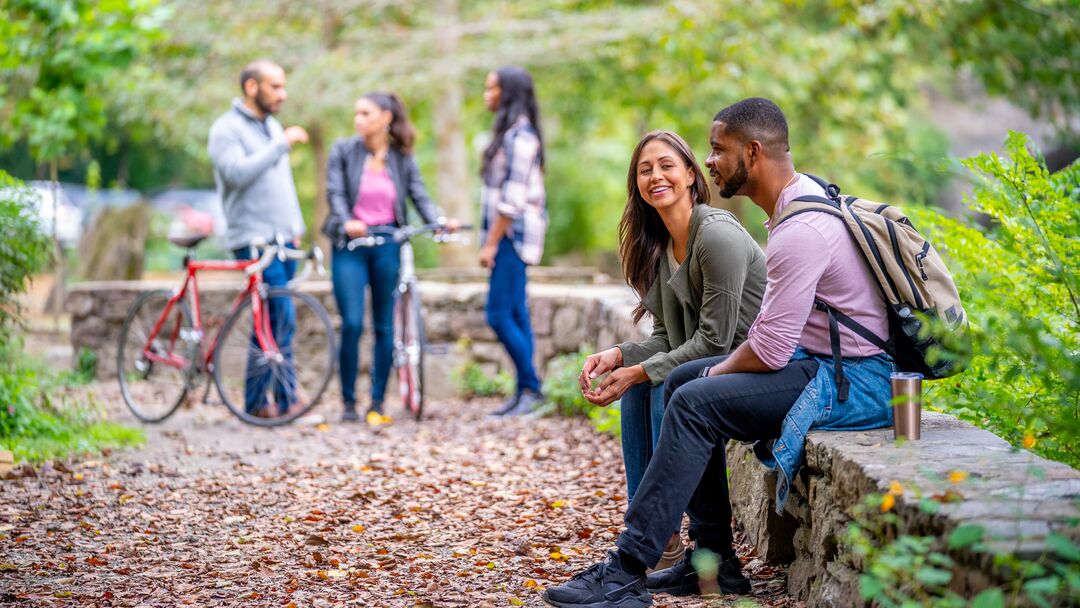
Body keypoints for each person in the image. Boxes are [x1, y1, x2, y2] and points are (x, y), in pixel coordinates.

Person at [543, 98, 895, 608]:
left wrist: (704, 377)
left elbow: (768, 348)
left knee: (690, 395)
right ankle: (715, 563)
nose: (711, 161)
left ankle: (626, 570)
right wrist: (632, 357)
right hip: (821, 365)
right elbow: (752, 342)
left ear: (751, 153)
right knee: (688, 387)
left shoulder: (792, 230)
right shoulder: (794, 207)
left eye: (716, 150)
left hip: (851, 380)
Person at [578, 130, 766, 570]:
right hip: (710, 365)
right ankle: (656, 540)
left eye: (666, 165)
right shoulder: (657, 247)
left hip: (753, 368)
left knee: (666, 385)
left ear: (689, 175)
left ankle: (656, 543)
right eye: (645, 170)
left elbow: (716, 341)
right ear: (636, 186)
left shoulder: (716, 236)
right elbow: (668, 336)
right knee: (641, 387)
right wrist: (622, 356)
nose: (656, 176)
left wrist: (642, 371)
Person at [323, 92, 459, 424]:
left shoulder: (401, 158)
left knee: (385, 326)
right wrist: (347, 221)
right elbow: (335, 193)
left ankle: (377, 402)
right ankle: (348, 403)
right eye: (356, 113)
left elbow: (419, 195)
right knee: (353, 323)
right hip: (351, 246)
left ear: (385, 117)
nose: (358, 119)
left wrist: (438, 222)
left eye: (365, 113)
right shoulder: (343, 151)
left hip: (387, 243)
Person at [208, 59, 308, 418]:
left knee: (267, 320)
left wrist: (296, 225)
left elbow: (280, 185)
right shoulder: (226, 129)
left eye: (283, 86)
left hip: (284, 239)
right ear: (252, 87)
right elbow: (236, 174)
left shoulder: (272, 126)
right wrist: (281, 144)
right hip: (253, 238)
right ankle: (287, 401)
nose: (283, 94)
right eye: (275, 87)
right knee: (283, 316)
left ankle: (257, 404)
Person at [479, 66, 548, 417]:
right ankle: (524, 390)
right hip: (508, 234)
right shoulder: (512, 134)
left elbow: (512, 199)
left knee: (498, 313)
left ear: (508, 93)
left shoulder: (519, 137)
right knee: (517, 313)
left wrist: (490, 242)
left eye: (492, 88)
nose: (486, 94)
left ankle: (533, 388)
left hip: (512, 235)